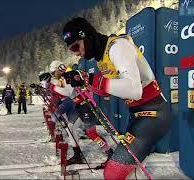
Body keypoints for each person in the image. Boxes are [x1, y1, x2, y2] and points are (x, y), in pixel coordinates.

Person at [61, 17, 171, 179]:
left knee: (113, 172)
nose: (77, 52)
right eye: (72, 50)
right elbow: (106, 91)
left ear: (87, 36)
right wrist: (84, 81)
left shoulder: (117, 47)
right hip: (138, 115)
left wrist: (92, 80)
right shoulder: (102, 57)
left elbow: (134, 90)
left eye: (76, 46)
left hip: (153, 114)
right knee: (133, 173)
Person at [47, 60, 114, 166]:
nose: (54, 75)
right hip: (78, 105)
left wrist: (52, 86)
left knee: (91, 133)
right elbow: (68, 92)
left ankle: (110, 153)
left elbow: (68, 92)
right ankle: (77, 155)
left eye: (54, 72)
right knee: (70, 128)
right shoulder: (66, 75)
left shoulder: (69, 74)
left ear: (59, 68)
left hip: (86, 105)